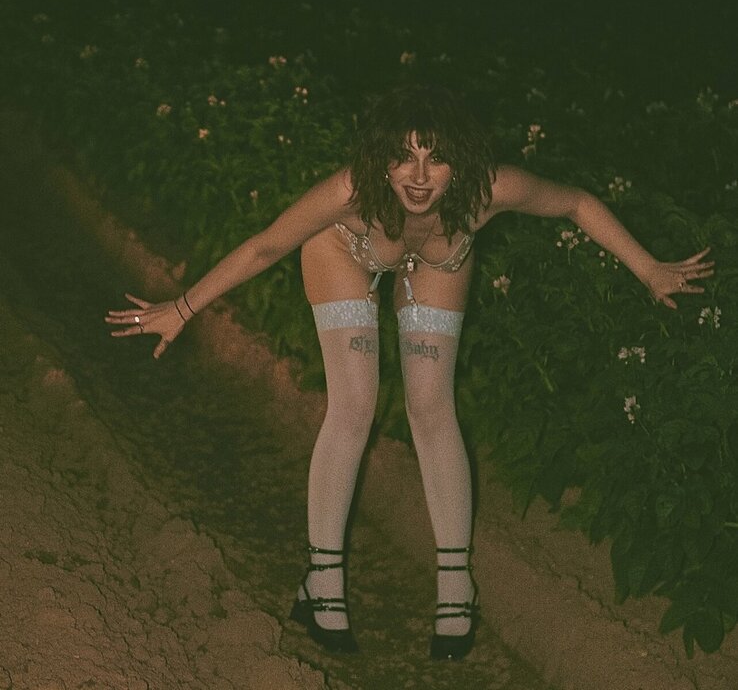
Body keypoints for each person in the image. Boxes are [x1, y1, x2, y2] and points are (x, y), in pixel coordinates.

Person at [105, 84, 714, 661]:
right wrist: (181, 308)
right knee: (354, 407)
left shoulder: (488, 188)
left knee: (431, 409)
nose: (419, 176)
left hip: (441, 258)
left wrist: (648, 268)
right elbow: (266, 245)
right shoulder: (350, 191)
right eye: (404, 156)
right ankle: (323, 580)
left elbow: (576, 202)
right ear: (382, 160)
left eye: (436, 158)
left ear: (460, 163)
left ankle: (456, 588)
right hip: (345, 251)